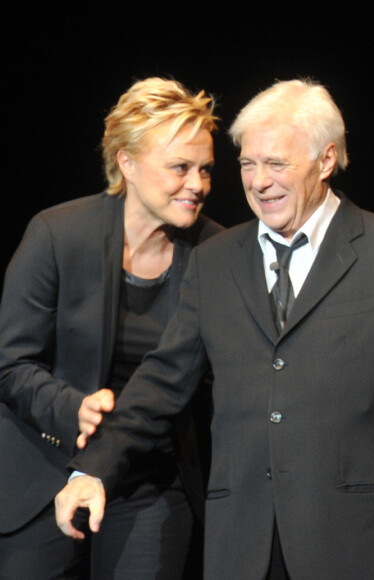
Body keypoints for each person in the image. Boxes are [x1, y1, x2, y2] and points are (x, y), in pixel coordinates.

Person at [54, 79, 374, 580]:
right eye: (248, 164)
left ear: (327, 159)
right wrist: (92, 470)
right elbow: (162, 381)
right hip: (242, 544)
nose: (259, 182)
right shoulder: (215, 262)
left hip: (351, 540)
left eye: (277, 163)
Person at [0, 77, 222, 579]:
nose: (197, 184)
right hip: (45, 468)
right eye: (180, 167)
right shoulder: (57, 234)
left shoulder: (217, 253)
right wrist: (71, 407)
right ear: (127, 162)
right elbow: (9, 363)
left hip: (149, 480)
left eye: (205, 169)